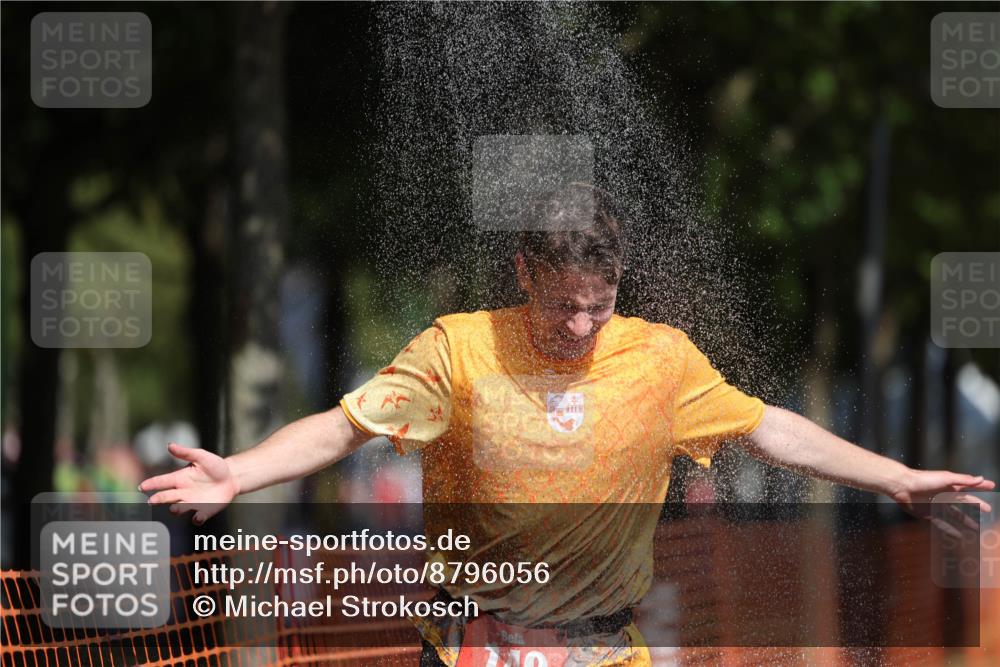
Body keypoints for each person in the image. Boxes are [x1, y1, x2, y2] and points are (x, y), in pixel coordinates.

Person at [140, 184, 995, 667]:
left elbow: (769, 428)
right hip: (474, 645)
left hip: (605, 649)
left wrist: (898, 477)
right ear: (523, 272)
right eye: (561, 306)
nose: (581, 327)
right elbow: (341, 427)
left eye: (600, 306)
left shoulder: (660, 358)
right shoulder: (458, 349)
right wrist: (239, 472)